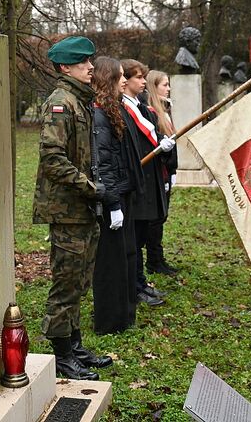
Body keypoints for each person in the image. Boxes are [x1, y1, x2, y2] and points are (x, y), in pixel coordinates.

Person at [33, 36, 113, 379]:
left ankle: (75, 346)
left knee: (79, 280)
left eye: (89, 62)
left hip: (80, 208)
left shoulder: (79, 101)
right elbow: (52, 159)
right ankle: (63, 356)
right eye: (83, 63)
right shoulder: (61, 103)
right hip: (67, 209)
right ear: (65, 67)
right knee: (66, 283)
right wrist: (92, 189)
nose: (90, 67)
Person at [91, 57, 144, 335]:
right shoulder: (100, 113)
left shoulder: (115, 108)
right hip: (113, 196)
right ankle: (110, 320)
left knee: (126, 255)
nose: (124, 80)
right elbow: (104, 163)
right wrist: (112, 203)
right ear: (107, 79)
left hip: (123, 192)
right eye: (120, 76)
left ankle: (124, 315)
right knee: (111, 262)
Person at [121, 59, 175, 305]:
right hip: (137, 181)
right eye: (139, 77)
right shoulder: (124, 108)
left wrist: (163, 145)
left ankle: (140, 282)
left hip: (149, 178)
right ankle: (133, 285)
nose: (144, 81)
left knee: (141, 235)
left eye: (144, 77)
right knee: (134, 238)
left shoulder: (141, 107)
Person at [145, 70, 179, 275]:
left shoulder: (164, 110)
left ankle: (158, 258)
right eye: (164, 85)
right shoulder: (150, 112)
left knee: (162, 216)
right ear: (153, 86)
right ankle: (154, 260)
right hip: (158, 173)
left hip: (167, 171)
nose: (168, 88)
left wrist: (173, 168)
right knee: (156, 218)